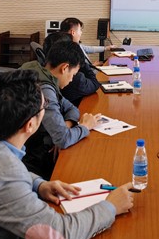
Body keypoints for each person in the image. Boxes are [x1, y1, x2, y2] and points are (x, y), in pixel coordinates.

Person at [0, 69, 134, 239]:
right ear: (30, 125)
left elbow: (2, 174)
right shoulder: (3, 178)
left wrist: (38, 184)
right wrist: (110, 206)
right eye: (45, 107)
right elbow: (61, 235)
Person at [21, 40, 101, 178]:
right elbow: (62, 139)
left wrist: (66, 125)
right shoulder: (46, 90)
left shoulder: (41, 73)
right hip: (32, 157)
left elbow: (71, 108)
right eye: (73, 75)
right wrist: (85, 126)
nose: (71, 80)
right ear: (64, 68)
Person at [58, 18, 103, 106]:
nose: (81, 33)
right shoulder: (72, 51)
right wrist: (88, 65)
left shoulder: (61, 46)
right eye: (80, 30)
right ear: (73, 32)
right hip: (81, 88)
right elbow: (94, 83)